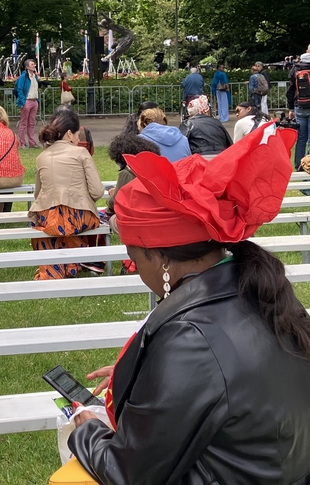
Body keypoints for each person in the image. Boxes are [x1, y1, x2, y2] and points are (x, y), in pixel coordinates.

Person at [68, 126, 310, 485]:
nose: (136, 271)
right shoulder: (261, 294)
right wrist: (153, 372)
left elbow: (127, 473)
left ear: (161, 258)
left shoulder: (189, 341)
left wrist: (84, 428)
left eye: (134, 258)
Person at [28, 109, 104, 279]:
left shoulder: (42, 156)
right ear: (69, 134)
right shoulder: (81, 153)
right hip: (79, 216)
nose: (78, 139)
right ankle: (72, 265)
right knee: (70, 226)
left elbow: (38, 194)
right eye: (78, 135)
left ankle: (56, 269)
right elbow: (97, 191)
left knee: (56, 228)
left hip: (48, 216)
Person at [106, 131, 162, 275]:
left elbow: (117, 203)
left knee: (111, 219)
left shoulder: (127, 173)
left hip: (135, 220)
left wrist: (111, 196)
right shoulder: (151, 168)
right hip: (154, 217)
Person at [287, 51, 310, 170]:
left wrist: (291, 108)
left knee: (301, 138)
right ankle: (309, 166)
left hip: (299, 105)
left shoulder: (295, 68)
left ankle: (299, 166)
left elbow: (290, 91)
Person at [15, 58, 42, 148]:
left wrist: (37, 101)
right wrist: (23, 101)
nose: (34, 65)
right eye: (32, 64)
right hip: (27, 101)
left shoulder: (35, 76)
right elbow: (19, 89)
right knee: (24, 123)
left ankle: (31, 142)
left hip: (34, 101)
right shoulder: (23, 77)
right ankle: (22, 142)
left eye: (34, 64)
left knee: (31, 123)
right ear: (27, 67)